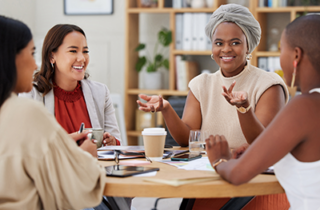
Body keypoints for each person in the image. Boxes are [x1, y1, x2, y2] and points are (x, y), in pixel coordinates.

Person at [137, 4, 289, 209]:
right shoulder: (201, 84)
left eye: (235, 42)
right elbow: (187, 138)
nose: (226, 49)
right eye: (219, 43)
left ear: (248, 45)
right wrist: (166, 108)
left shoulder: (268, 85)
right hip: (210, 181)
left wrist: (244, 108)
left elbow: (264, 145)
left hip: (256, 188)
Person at [206, 14, 320, 210]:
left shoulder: (305, 107)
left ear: (296, 56)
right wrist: (258, 151)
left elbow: (238, 174)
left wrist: (219, 159)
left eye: (280, 49)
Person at [0, 15, 105, 210]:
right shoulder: (26, 110)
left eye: (85, 51)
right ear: (8, 58)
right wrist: (84, 153)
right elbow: (75, 182)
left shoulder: (9, 111)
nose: (34, 65)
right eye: (30, 54)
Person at [19, 24, 121, 146]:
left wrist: (112, 141)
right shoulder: (31, 94)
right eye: (73, 51)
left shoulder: (101, 92)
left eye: (85, 51)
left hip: (92, 165)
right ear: (52, 56)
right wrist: (66, 143)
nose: (82, 58)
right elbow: (25, 146)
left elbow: (116, 141)